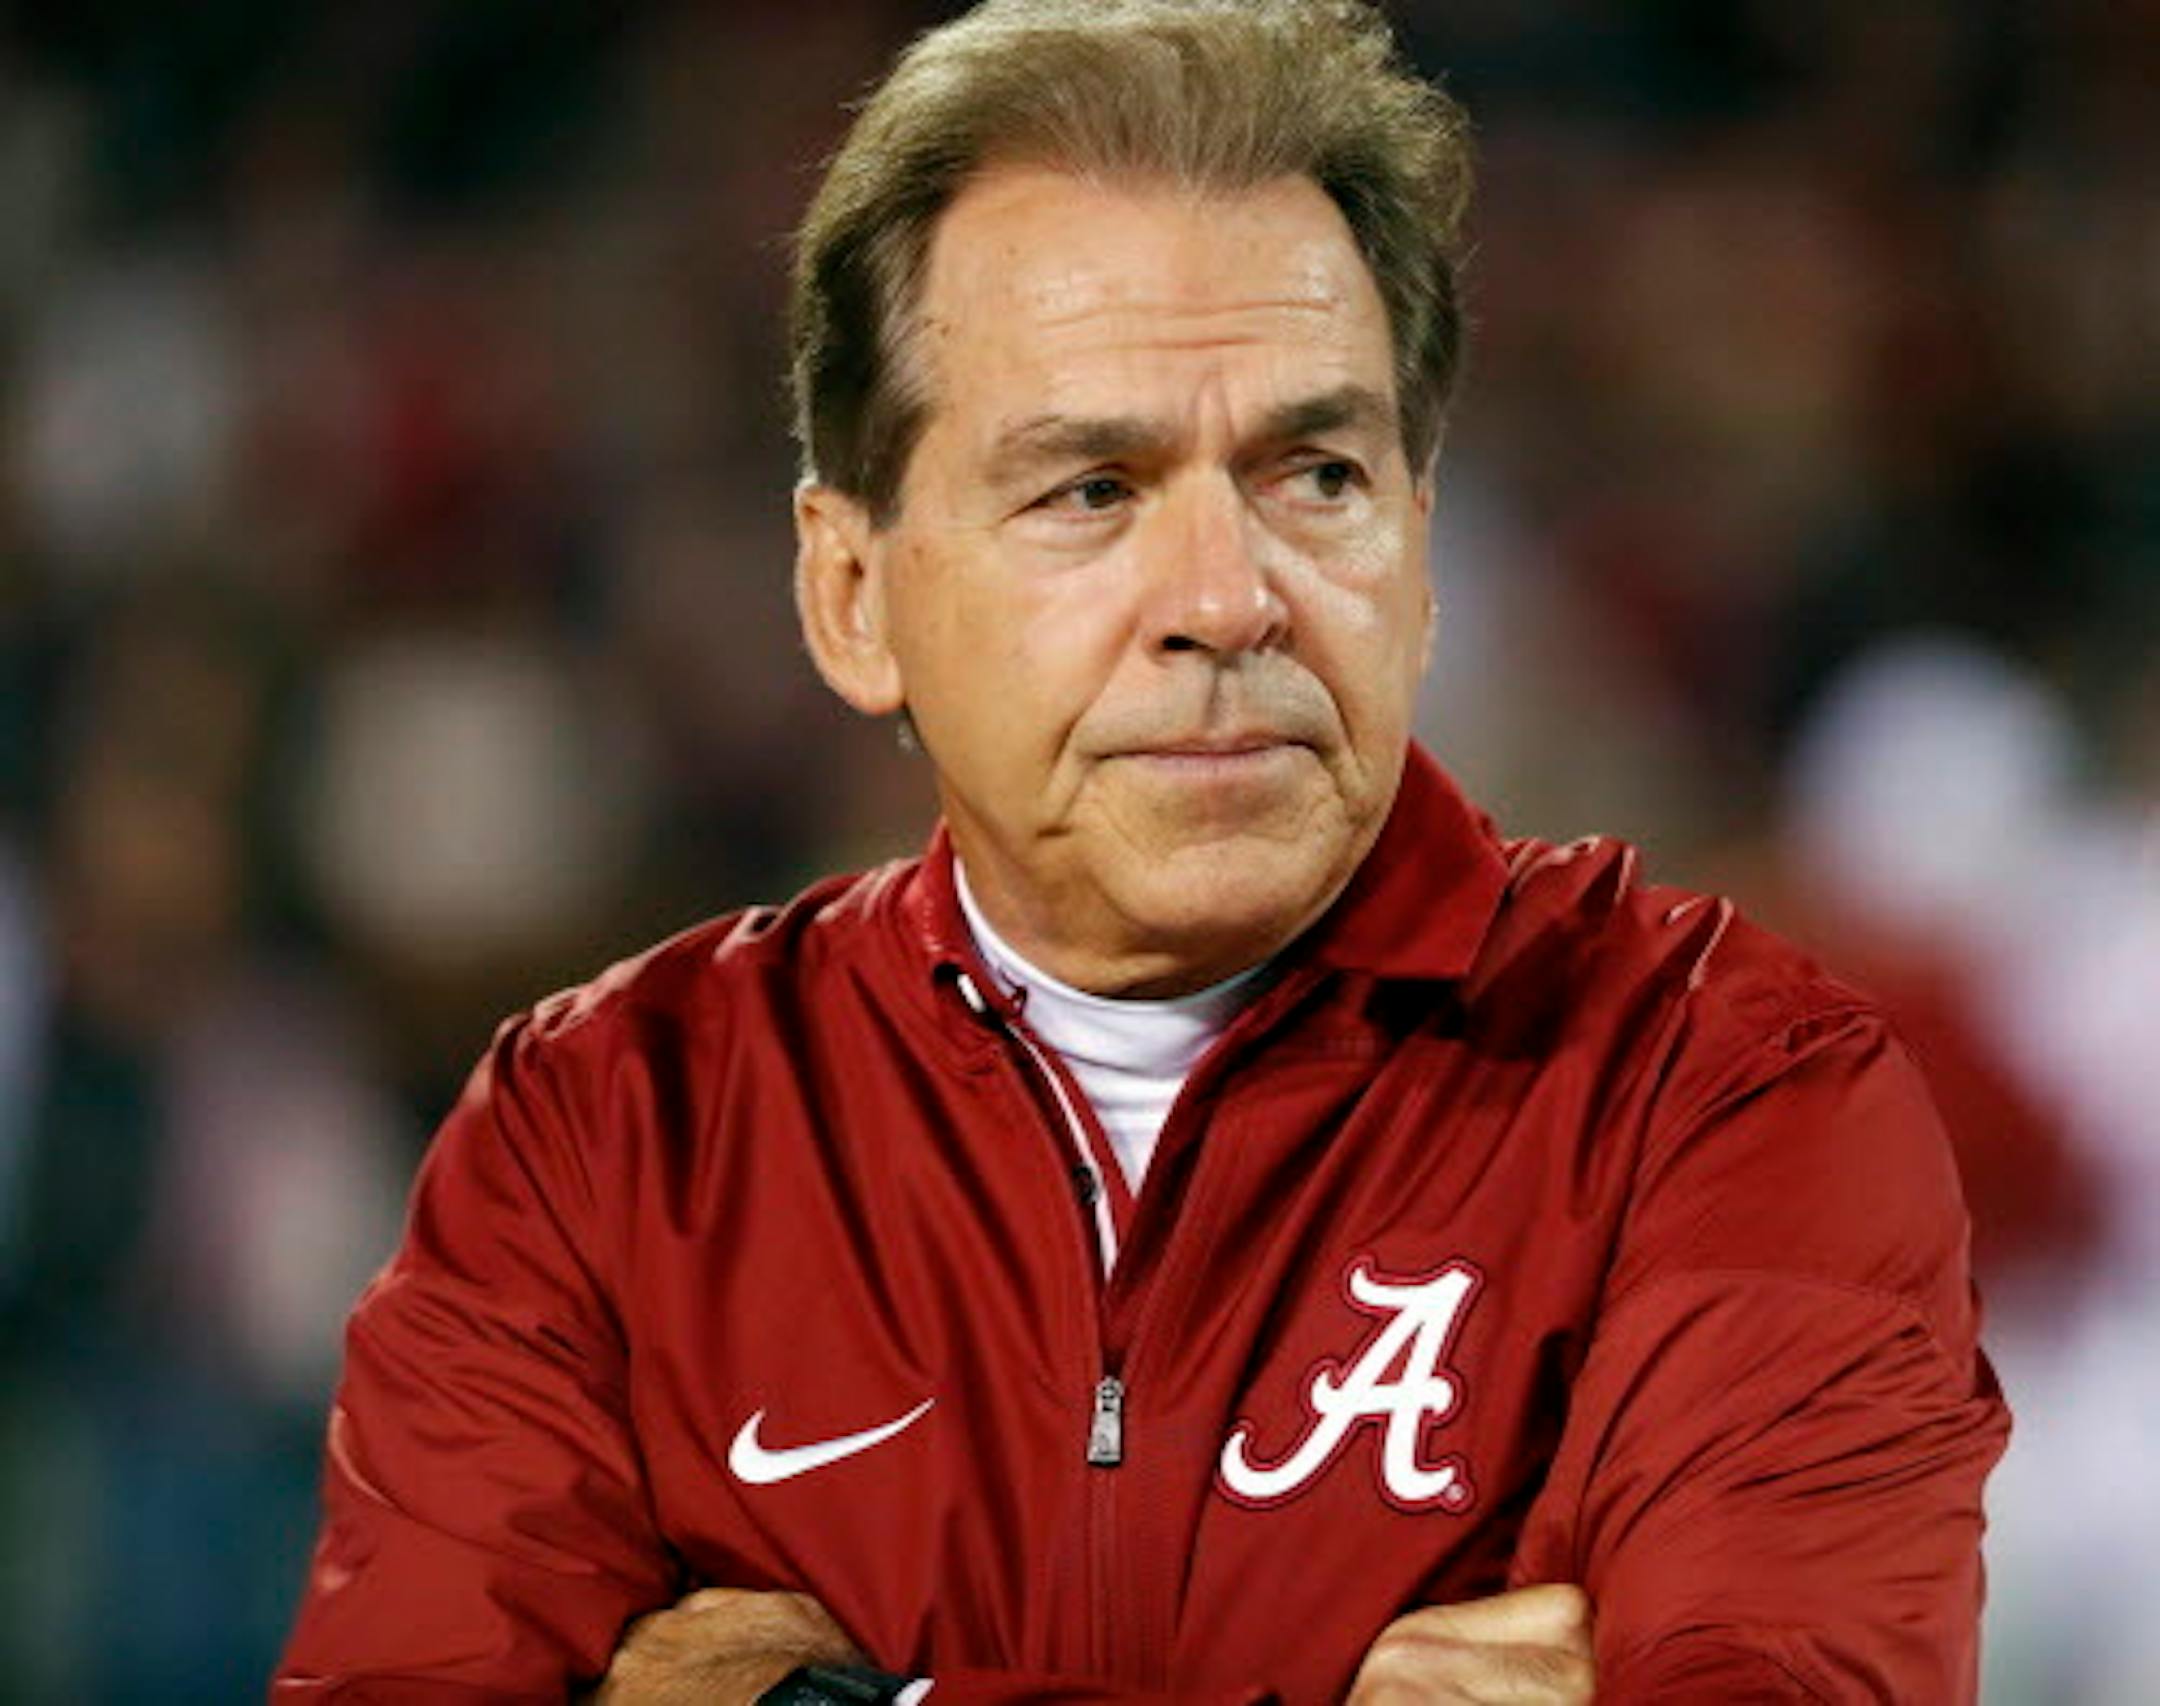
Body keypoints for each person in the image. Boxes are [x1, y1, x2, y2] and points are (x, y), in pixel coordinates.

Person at [275, 1, 2009, 1700]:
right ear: (852, 591)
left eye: (1315, 471)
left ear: (1419, 541)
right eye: (1090, 489)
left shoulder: (1728, 1096)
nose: (1226, 596)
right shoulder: (607, 1141)